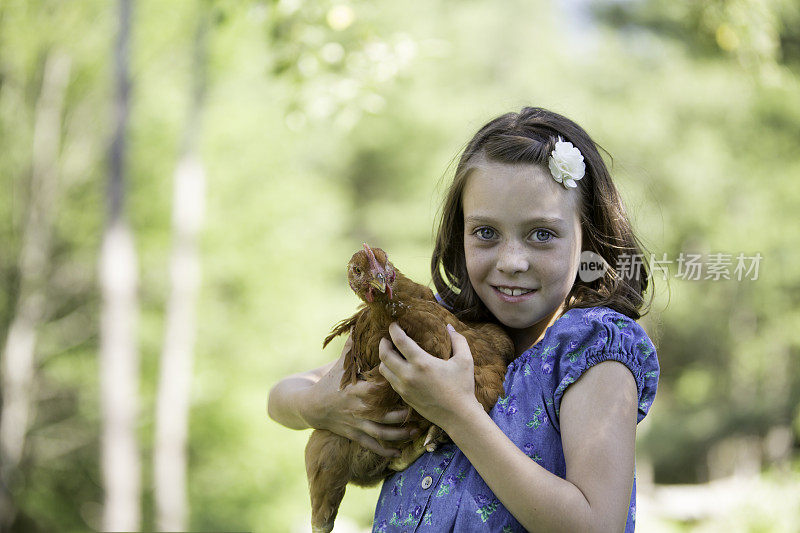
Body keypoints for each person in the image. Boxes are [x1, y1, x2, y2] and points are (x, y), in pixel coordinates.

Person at [268, 107, 659, 532]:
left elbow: (596, 526)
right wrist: (322, 406)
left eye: (542, 234)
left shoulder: (590, 352)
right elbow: (282, 397)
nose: (511, 261)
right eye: (486, 232)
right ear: (460, 234)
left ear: (588, 237)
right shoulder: (438, 325)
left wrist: (456, 412)